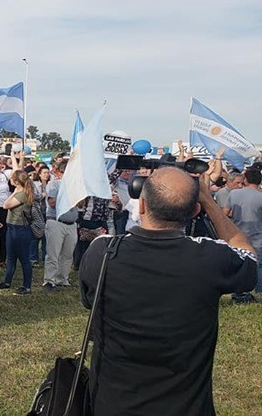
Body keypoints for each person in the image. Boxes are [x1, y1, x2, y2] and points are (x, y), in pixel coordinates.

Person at [79, 167, 257, 415]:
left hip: (112, 403)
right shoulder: (211, 257)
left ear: (141, 206)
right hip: (187, 407)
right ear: (195, 211)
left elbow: (89, 301)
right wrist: (208, 201)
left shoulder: (103, 253)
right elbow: (248, 257)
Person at [0, 170, 35, 295]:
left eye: (12, 178)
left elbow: (5, 205)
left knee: (24, 259)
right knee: (11, 257)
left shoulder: (22, 194)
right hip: (13, 227)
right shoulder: (22, 191)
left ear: (17, 182)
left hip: (20, 229)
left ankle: (27, 286)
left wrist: (15, 192)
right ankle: (7, 282)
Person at [225, 168, 262, 298]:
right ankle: (258, 292)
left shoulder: (234, 194)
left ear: (245, 180)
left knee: (238, 265)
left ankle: (238, 292)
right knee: (258, 266)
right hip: (257, 237)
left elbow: (224, 213)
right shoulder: (260, 196)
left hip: (237, 236)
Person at [43, 161, 79, 290]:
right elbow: (52, 202)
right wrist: (69, 195)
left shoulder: (76, 186)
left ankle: (63, 279)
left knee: (68, 254)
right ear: (60, 173)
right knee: (53, 253)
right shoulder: (54, 184)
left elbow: (81, 204)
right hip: (56, 222)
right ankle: (49, 280)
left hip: (72, 223)